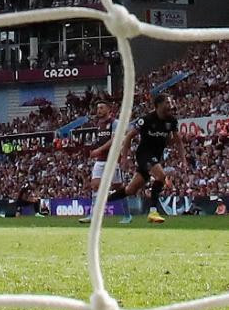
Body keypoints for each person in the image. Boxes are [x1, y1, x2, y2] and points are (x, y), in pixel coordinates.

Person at [103, 94, 186, 224]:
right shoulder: (146, 119)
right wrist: (124, 157)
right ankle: (153, 212)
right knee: (161, 176)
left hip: (156, 157)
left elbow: (178, 141)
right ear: (158, 105)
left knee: (130, 190)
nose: (171, 105)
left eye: (171, 103)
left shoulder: (172, 121)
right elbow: (129, 136)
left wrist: (184, 160)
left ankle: (102, 201)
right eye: (167, 103)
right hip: (144, 154)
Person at [79, 100, 132, 225]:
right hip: (101, 160)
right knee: (95, 185)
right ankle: (93, 215)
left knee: (119, 188)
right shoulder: (99, 125)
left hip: (113, 160)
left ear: (109, 109)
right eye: (98, 108)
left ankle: (127, 215)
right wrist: (92, 150)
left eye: (102, 108)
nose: (99, 110)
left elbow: (114, 140)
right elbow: (100, 141)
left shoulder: (115, 123)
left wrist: (98, 150)